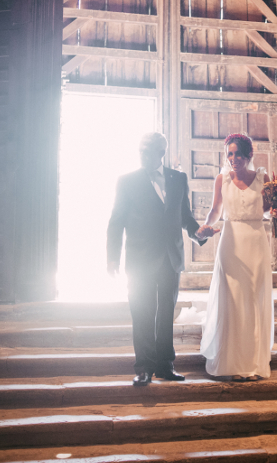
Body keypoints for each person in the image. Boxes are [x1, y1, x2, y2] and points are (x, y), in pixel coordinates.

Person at [107, 132, 215, 386]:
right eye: (141, 151)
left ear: (161, 153)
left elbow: (185, 217)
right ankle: (143, 368)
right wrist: (112, 259)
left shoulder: (178, 179)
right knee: (142, 313)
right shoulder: (126, 181)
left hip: (170, 258)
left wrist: (199, 233)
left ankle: (165, 366)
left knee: (166, 315)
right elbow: (116, 221)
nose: (143, 155)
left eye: (148, 151)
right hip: (139, 259)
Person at [198, 134, 277, 381]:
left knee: (254, 298)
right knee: (232, 299)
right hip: (230, 243)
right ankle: (231, 364)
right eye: (229, 154)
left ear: (248, 155)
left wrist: (274, 209)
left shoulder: (263, 179)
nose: (234, 159)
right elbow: (215, 211)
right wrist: (203, 227)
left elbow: (265, 212)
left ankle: (254, 363)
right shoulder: (222, 180)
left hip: (255, 242)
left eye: (238, 154)